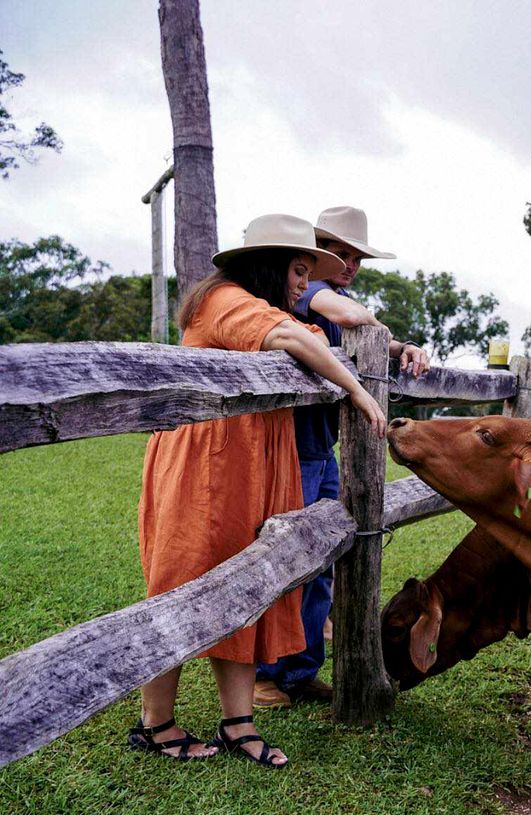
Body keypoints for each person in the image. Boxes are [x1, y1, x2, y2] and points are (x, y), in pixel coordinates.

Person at [134, 213, 387, 767]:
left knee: (247, 584)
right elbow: (292, 337)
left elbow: (310, 336)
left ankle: (238, 723)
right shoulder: (224, 300)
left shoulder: (270, 307)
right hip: (206, 464)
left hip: (253, 464)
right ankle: (155, 725)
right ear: (269, 267)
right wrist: (360, 395)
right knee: (178, 583)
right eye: (298, 270)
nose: (305, 283)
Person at [252, 206, 429, 709]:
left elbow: (358, 324)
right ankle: (267, 675)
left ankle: (301, 669)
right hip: (294, 447)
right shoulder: (309, 292)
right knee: (290, 557)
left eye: (356, 257)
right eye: (342, 254)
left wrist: (400, 347)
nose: (349, 264)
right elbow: (352, 319)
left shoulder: (334, 296)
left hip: (323, 447)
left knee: (326, 557)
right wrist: (378, 333)